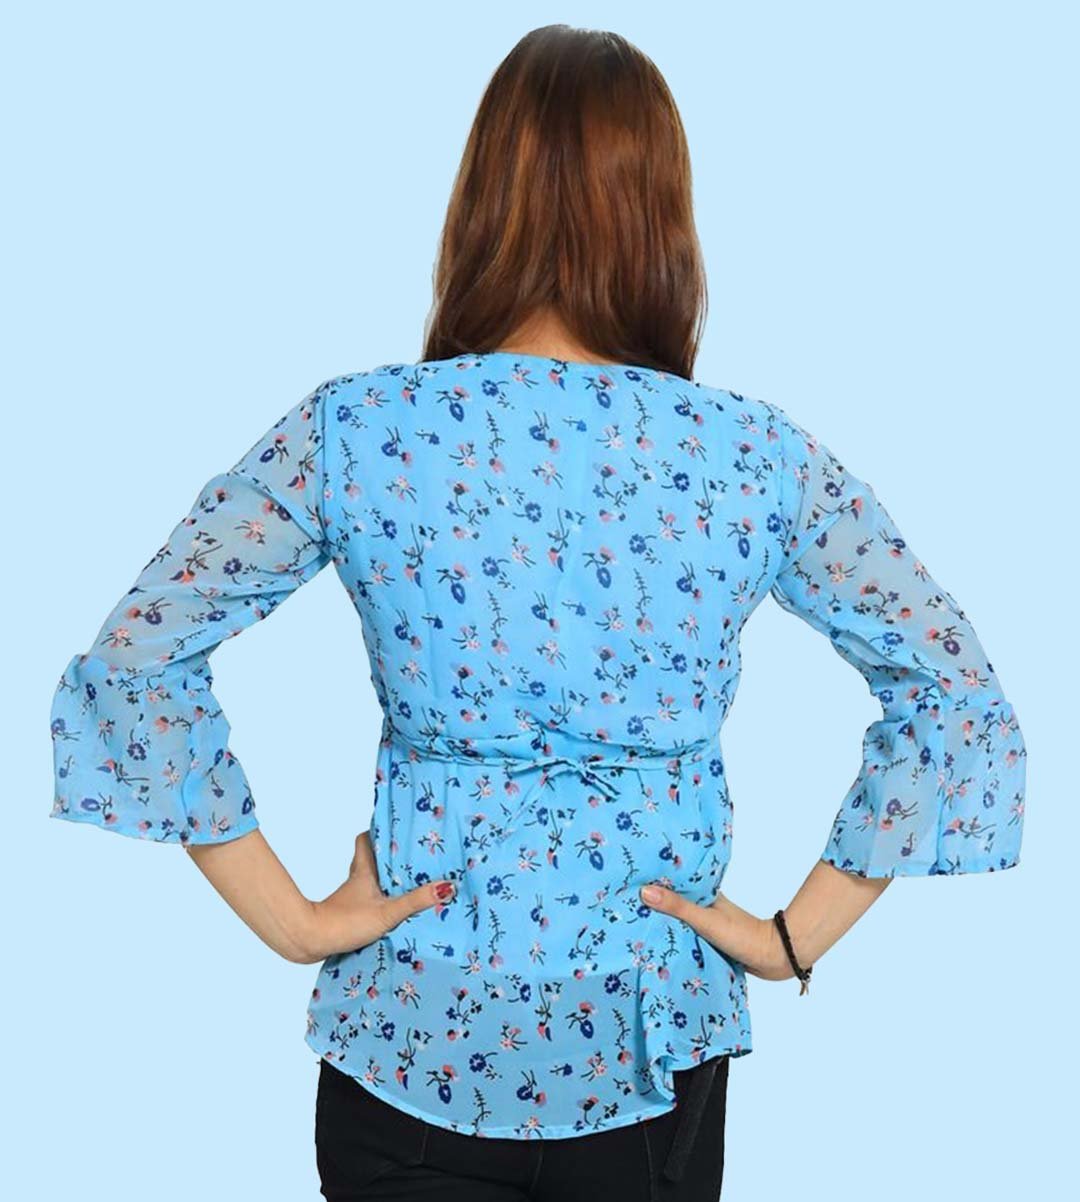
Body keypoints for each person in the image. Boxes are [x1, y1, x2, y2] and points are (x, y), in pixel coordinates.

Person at [48, 22, 1026, 1202]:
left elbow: (137, 658)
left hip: (404, 1041)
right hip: (649, 1053)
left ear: (482, 205)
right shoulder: (749, 456)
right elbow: (952, 687)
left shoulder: (360, 429)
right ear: (662, 219)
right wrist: (794, 936)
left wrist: (294, 922)